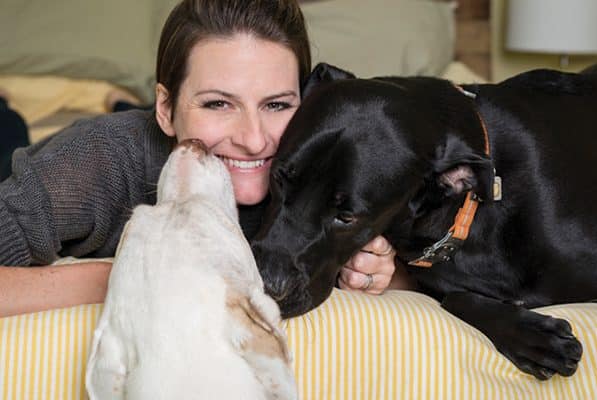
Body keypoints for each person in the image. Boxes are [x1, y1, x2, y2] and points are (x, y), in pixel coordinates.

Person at [0, 0, 413, 318]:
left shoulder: (329, 165)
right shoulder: (97, 159)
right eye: (218, 103)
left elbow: (424, 271)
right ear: (166, 108)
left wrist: (378, 271)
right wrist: (125, 277)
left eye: (276, 105)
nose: (253, 140)